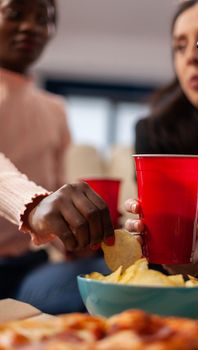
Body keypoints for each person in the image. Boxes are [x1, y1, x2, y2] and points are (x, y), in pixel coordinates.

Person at [125, 0, 198, 332]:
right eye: (179, 46)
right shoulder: (155, 132)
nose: (190, 57)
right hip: (195, 287)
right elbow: (168, 268)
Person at [0, 0, 114, 314]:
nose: (30, 26)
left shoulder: (54, 109)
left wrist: (77, 231)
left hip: (30, 265)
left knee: (110, 283)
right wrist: (36, 206)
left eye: (43, 18)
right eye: (15, 13)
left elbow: (59, 184)